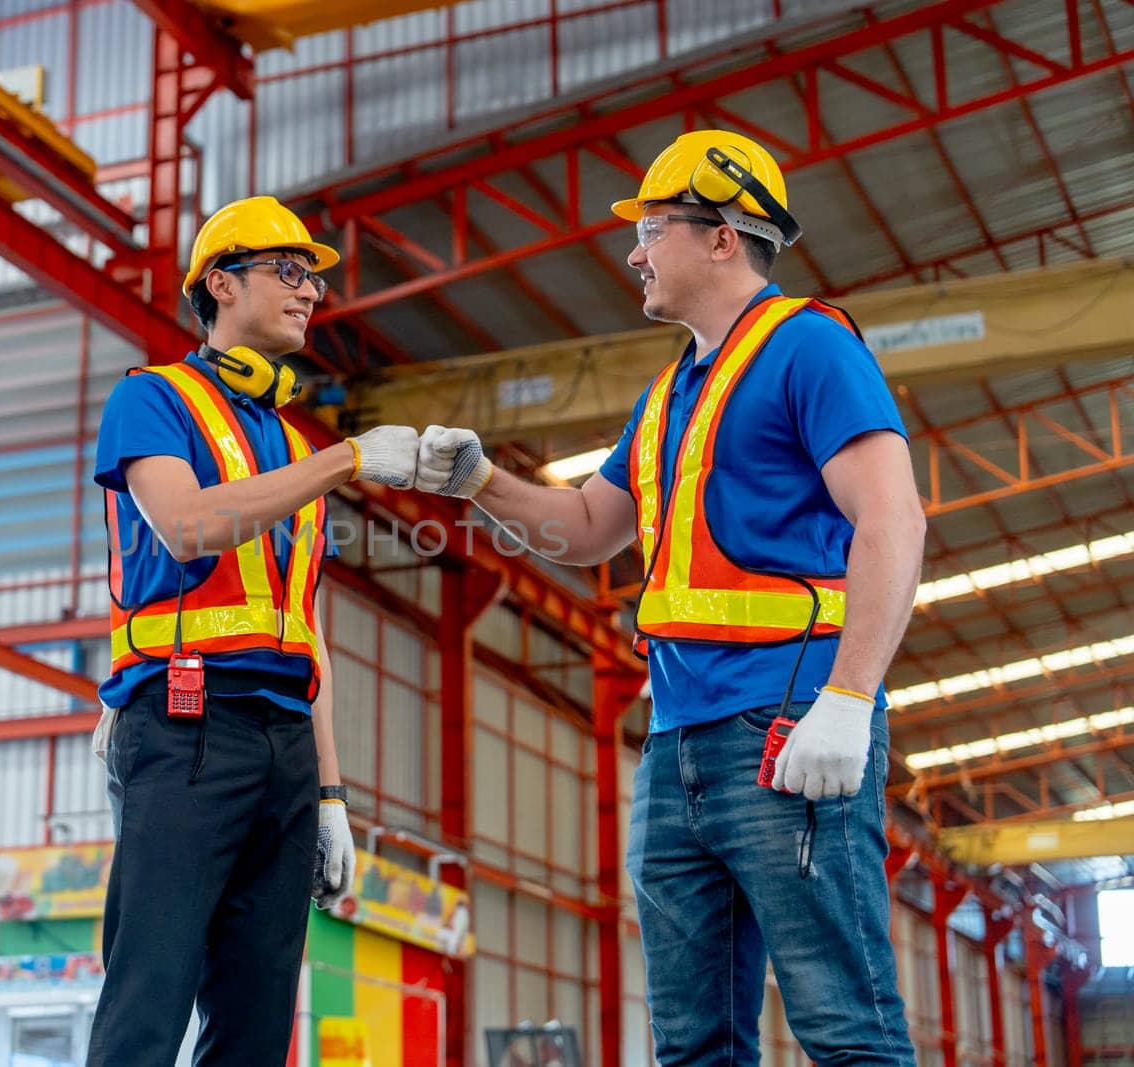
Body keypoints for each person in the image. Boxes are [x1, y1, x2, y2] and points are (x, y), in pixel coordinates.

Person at [412, 131, 926, 1065]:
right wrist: (481, 479)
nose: (635, 253)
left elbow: (894, 521)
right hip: (677, 745)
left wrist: (849, 700)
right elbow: (584, 527)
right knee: (691, 1045)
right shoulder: (665, 397)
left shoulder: (811, 346)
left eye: (652, 230)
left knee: (846, 1028)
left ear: (724, 237)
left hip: (786, 726)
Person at [86, 194, 421, 1065]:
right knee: (146, 1003)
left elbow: (305, 633)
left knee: (256, 1021)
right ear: (220, 284)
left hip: (282, 747)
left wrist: (332, 794)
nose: (311, 290)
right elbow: (189, 525)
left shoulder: (285, 440)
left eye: (313, 276)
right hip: (185, 726)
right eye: (290, 270)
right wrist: (345, 459)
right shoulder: (152, 401)